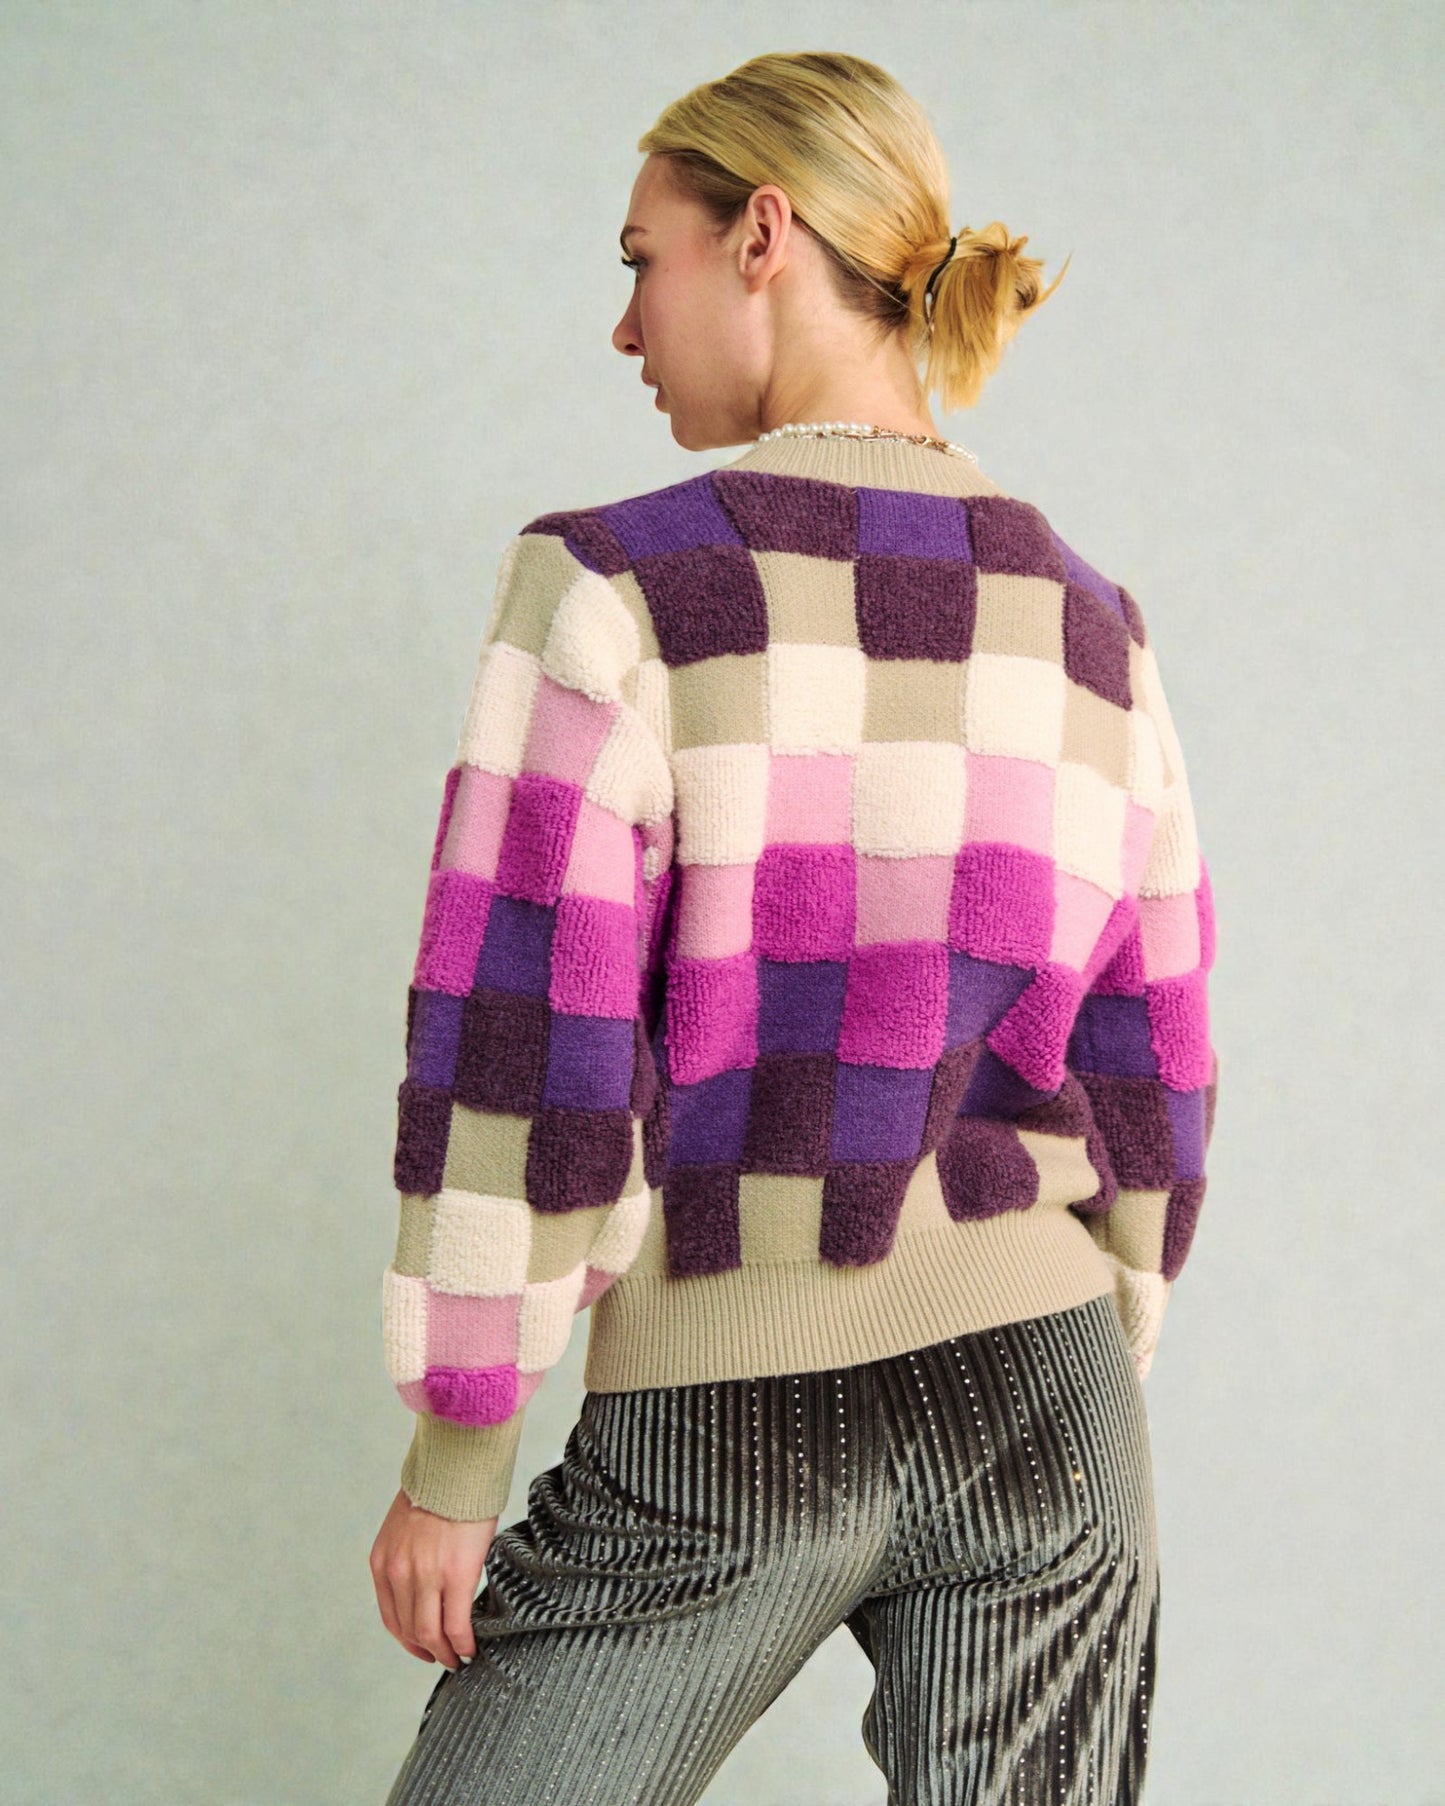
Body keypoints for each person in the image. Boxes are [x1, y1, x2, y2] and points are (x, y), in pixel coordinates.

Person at [370, 48, 1219, 1806]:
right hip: (1047, 1394)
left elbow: (522, 1032)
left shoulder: (614, 588)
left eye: (638, 258)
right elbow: (1158, 1040)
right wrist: (1095, 1330)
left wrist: (462, 1448)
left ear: (760, 232)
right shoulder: (1084, 617)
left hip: (721, 1402)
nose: (624, 326)